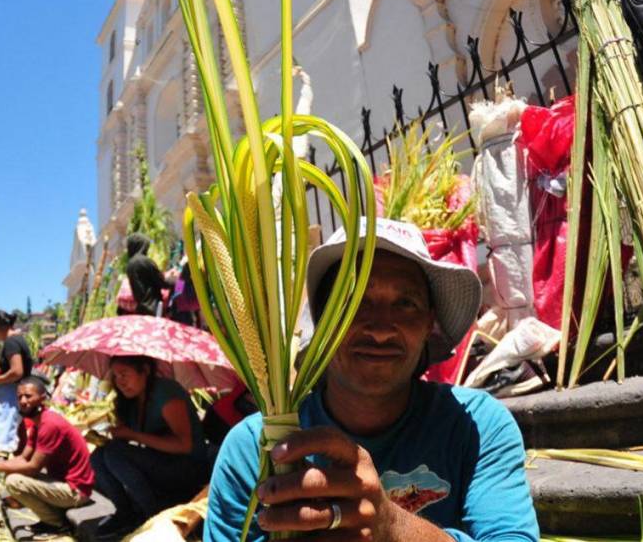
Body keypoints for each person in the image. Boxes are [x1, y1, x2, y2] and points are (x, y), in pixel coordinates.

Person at [204, 219, 540, 541]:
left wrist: (390, 525)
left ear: (428, 324)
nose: (380, 329)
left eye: (405, 303)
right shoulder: (255, 448)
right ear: (322, 322)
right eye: (354, 301)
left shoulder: (477, 427)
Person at [91, 355, 212, 539]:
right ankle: (125, 514)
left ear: (145, 371)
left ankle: (154, 515)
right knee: (99, 456)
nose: (120, 382)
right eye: (115, 376)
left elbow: (184, 445)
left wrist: (132, 435)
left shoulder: (166, 392)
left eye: (124, 374)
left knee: (115, 454)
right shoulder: (130, 398)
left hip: (188, 468)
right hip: (160, 463)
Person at [0, 377, 94, 540]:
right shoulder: (37, 424)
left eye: (28, 396)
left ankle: (57, 524)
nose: (23, 401)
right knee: (12, 474)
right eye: (20, 397)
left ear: (42, 398)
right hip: (63, 484)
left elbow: (33, 467)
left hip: (76, 492)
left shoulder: (50, 424)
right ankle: (51, 518)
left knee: (14, 482)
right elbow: (23, 458)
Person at [0, 310, 33, 453]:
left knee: (8, 435)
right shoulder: (18, 339)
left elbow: (17, 371)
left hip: (13, 393)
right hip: (17, 391)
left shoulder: (11, 342)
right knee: (18, 431)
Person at [120, 233, 174, 317]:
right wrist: (179, 281)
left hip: (141, 309)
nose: (147, 249)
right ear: (141, 246)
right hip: (154, 309)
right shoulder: (144, 261)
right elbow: (162, 282)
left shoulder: (130, 265)